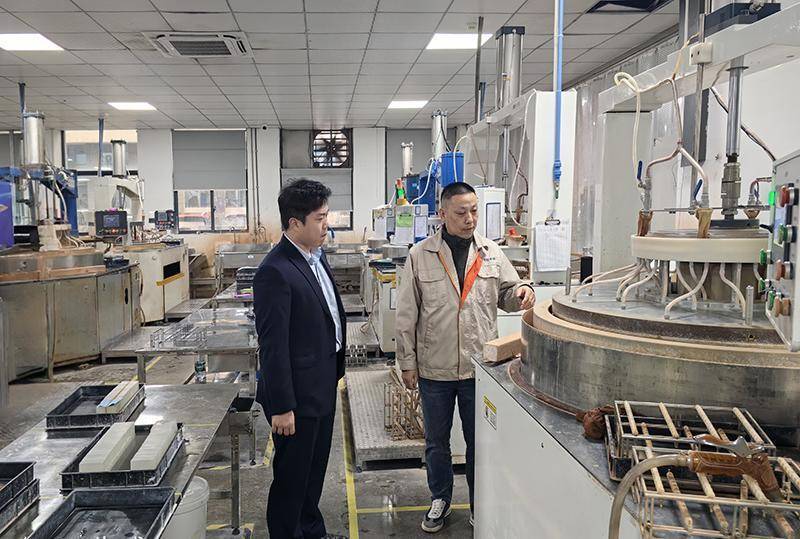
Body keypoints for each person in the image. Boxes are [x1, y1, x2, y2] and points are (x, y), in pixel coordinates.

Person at [396, 182, 535, 533]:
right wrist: (407, 363)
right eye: (461, 212)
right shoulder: (420, 255)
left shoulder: (491, 252)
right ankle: (440, 498)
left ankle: (480, 504)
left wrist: (523, 291)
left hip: (480, 369)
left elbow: (508, 292)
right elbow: (406, 314)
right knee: (436, 443)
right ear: (442, 214)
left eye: (474, 211)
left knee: (480, 444)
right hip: (434, 368)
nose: (470, 218)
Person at [253, 179, 346, 539]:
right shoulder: (275, 271)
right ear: (294, 223)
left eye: (327, 216)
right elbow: (273, 346)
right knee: (292, 481)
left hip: (321, 386)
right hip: (296, 399)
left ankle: (312, 531)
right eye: (320, 218)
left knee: (313, 473)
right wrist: (281, 407)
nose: (327, 225)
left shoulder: (315, 258)